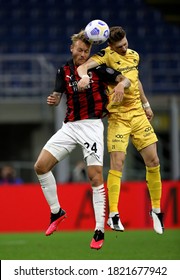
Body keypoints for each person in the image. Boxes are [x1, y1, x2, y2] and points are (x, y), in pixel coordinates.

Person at [34, 30, 130, 250]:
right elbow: (57, 96)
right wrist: (53, 99)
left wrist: (121, 86)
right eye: (80, 50)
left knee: (94, 176)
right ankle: (57, 212)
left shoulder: (97, 68)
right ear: (72, 48)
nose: (83, 54)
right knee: (40, 166)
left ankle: (98, 230)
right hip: (69, 126)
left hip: (92, 126)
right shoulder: (63, 71)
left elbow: (124, 80)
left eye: (86, 51)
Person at [77, 26, 164, 235]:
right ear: (110, 45)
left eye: (125, 44)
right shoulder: (105, 56)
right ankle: (114, 214)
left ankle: (156, 210)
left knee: (153, 161)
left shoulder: (134, 55)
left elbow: (136, 81)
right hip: (118, 117)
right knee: (118, 163)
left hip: (138, 114)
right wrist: (84, 76)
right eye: (120, 46)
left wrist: (146, 104)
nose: (125, 48)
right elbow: (83, 66)